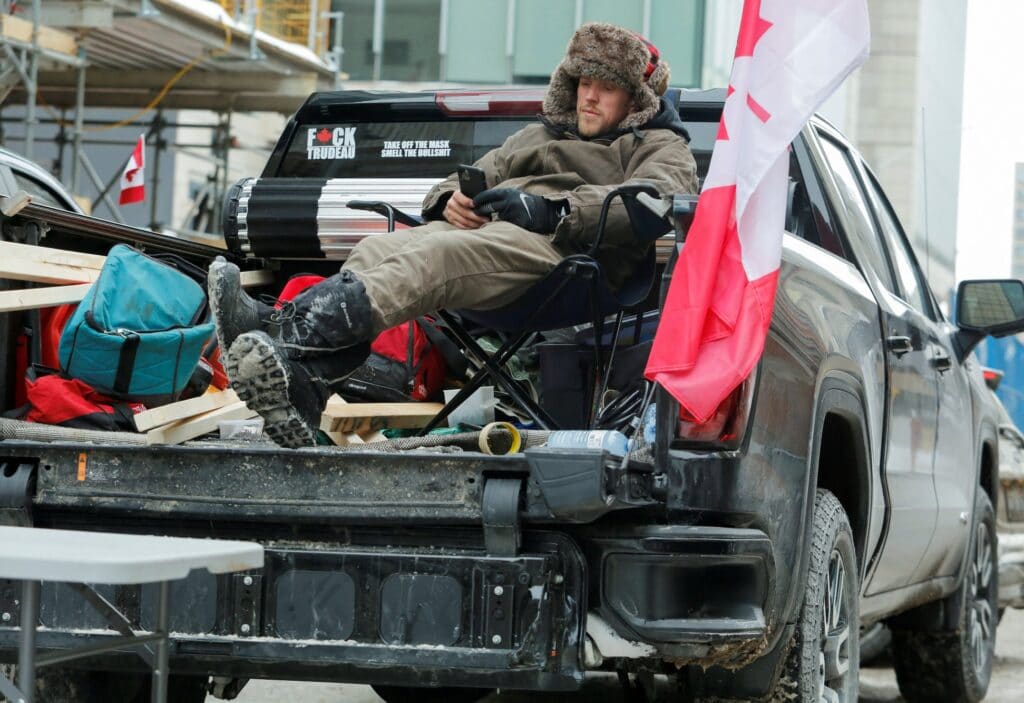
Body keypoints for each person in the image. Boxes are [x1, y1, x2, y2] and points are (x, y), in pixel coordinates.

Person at [209, 22, 699, 448]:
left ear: (637, 98)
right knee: (379, 246)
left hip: (567, 259)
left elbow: (658, 199)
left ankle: (281, 333)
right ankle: (305, 378)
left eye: (606, 88)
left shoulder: (659, 145)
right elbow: (468, 175)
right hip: (498, 242)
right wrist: (450, 201)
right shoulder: (540, 135)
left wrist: (551, 210)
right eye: (584, 82)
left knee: (439, 254)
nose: (589, 96)